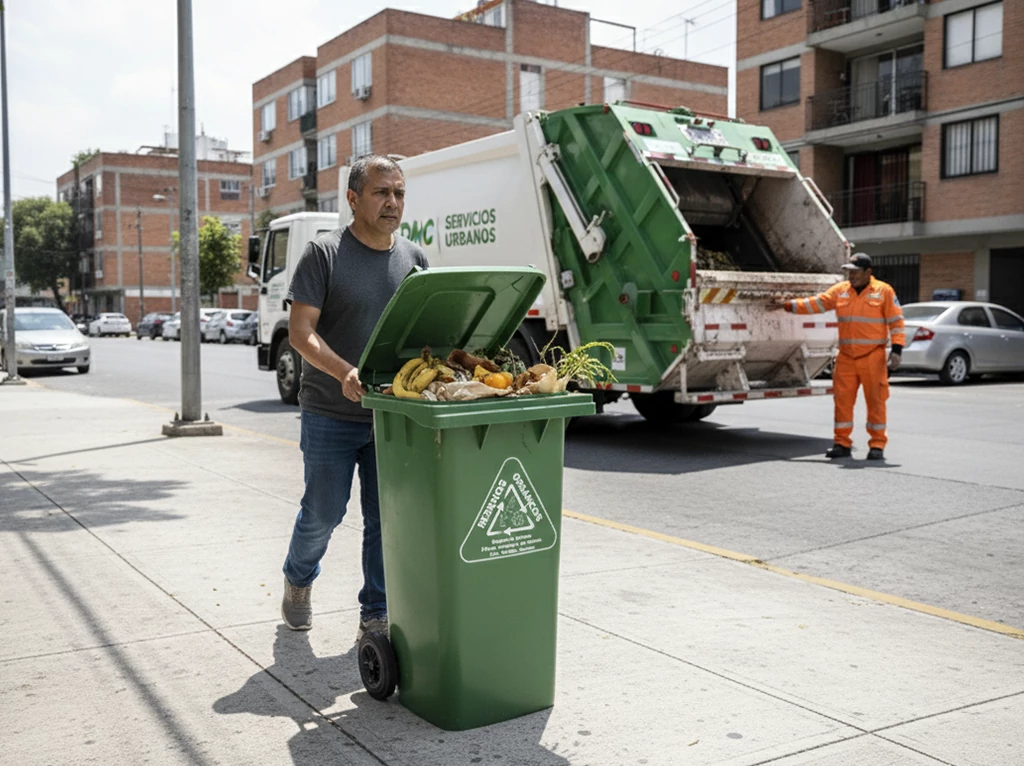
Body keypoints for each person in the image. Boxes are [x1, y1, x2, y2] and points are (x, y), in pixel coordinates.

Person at [280, 155, 428, 637]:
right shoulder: (323, 255)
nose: (392, 203)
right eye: (381, 192)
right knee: (324, 511)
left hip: (390, 414)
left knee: (385, 519)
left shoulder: (415, 258)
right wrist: (345, 372)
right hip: (330, 411)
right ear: (352, 199)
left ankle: (376, 612)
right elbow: (301, 334)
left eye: (399, 193)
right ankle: (298, 577)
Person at [773, 253, 904, 460]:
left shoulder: (884, 291)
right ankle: (842, 443)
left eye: (855, 272)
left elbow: (896, 322)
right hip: (847, 357)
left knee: (876, 401)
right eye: (848, 272)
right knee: (842, 401)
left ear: (868, 272)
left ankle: (877, 445)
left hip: (873, 357)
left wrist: (897, 350)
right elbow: (816, 303)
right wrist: (788, 305)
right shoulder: (841, 291)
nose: (850, 276)